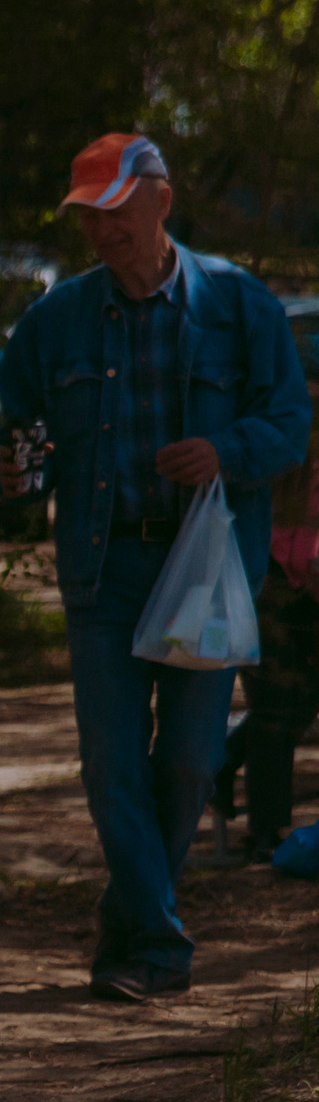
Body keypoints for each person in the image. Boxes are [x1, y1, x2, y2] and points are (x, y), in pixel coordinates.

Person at [0, 134, 312, 1000]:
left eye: (115, 211)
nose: (101, 231)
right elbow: (16, 429)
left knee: (190, 763)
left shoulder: (239, 304)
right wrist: (16, 469)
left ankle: (130, 920)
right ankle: (162, 945)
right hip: (103, 570)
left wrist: (225, 450)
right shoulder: (55, 320)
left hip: (206, 570)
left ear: (159, 201)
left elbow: (290, 424)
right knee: (110, 763)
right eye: (87, 217)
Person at [225, 337, 319, 860]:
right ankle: (266, 829)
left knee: (295, 704)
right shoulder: (279, 432)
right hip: (272, 585)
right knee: (276, 710)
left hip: (293, 580)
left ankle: (224, 761)